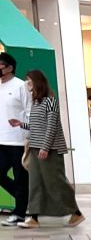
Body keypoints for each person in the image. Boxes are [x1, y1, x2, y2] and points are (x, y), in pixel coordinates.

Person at [14, 71, 82, 228]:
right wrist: (21, 124)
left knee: (56, 182)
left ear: (37, 82)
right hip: (35, 148)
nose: (27, 84)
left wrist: (45, 147)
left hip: (49, 150)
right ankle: (34, 218)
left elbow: (51, 126)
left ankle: (76, 213)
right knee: (35, 183)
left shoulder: (50, 101)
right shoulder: (36, 102)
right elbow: (37, 126)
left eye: (29, 81)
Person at [0, 52, 31, 226]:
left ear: (10, 68)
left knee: (21, 178)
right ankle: (25, 200)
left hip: (18, 141)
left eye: (0, 64)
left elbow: (29, 111)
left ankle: (19, 213)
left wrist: (28, 135)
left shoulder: (21, 86)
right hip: (1, 141)